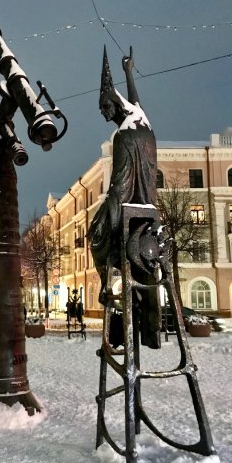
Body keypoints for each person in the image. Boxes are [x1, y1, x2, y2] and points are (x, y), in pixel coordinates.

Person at [88, 46, 161, 349]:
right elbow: (135, 100)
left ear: (113, 103)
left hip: (127, 204)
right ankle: (151, 322)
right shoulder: (141, 120)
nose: (105, 115)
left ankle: (106, 285)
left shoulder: (122, 136)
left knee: (96, 234)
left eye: (105, 109)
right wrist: (128, 72)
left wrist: (108, 208)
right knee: (146, 264)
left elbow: (120, 183)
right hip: (149, 208)